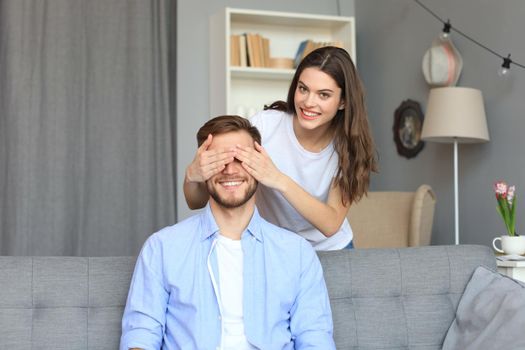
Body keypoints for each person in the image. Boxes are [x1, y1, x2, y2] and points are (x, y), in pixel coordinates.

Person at [121, 115, 335, 350]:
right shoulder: (162, 247)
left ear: (260, 166)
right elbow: (141, 336)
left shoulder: (297, 253)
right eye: (217, 160)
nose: (230, 169)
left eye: (241, 158)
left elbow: (315, 338)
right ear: (202, 169)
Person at [184, 46, 377, 250]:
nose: (309, 102)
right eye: (303, 89)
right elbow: (195, 202)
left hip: (331, 249)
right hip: (275, 247)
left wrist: (277, 179)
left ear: (343, 102)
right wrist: (191, 176)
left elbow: (330, 224)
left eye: (324, 95)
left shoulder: (347, 147)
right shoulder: (265, 127)